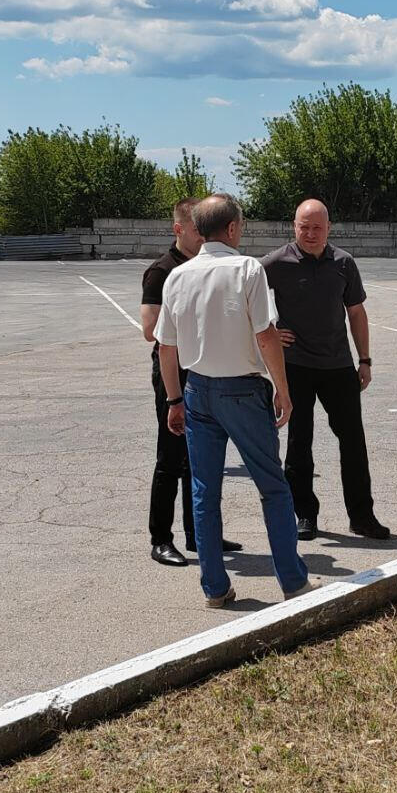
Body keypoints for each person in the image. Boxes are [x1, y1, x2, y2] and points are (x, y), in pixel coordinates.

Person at [155, 194, 313, 607]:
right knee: (273, 488)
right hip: (242, 390)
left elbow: (166, 348)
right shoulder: (247, 269)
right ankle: (293, 582)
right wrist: (283, 387)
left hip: (196, 390)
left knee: (205, 492)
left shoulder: (178, 276)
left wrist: (175, 399)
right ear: (232, 228)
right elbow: (265, 334)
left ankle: (215, 588)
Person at [262, 199, 390, 541]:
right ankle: (305, 514)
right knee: (299, 443)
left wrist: (365, 359)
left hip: (338, 367)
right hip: (296, 367)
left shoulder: (344, 263)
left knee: (353, 443)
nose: (310, 233)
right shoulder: (275, 263)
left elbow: (357, 314)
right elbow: (246, 301)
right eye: (304, 226)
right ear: (294, 226)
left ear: (329, 228)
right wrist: (270, 328)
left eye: (317, 227)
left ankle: (362, 516)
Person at [140, 199, 242, 566]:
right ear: (178, 229)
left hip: (203, 370)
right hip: (173, 374)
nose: (202, 236)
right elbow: (150, 330)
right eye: (195, 229)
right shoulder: (162, 271)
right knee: (170, 458)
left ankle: (199, 535)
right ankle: (160, 538)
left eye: (204, 229)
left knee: (199, 461)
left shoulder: (208, 267)